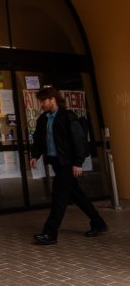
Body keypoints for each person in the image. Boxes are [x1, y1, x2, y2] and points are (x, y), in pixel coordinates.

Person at [30, 86, 108, 245]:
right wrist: (35, 155)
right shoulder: (43, 119)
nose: (42, 104)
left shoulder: (67, 117)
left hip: (67, 164)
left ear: (53, 99)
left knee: (59, 197)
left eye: (44, 101)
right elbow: (38, 139)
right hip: (56, 163)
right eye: (41, 102)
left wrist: (77, 163)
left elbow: (79, 140)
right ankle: (99, 223)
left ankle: (50, 233)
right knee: (77, 196)